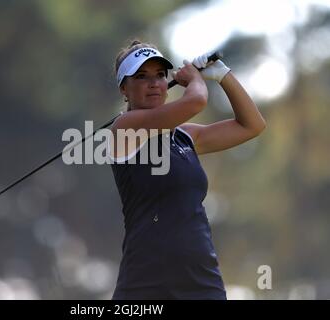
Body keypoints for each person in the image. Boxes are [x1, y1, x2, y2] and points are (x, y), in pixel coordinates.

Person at [108, 40, 266, 300]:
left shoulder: (184, 137)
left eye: (160, 75)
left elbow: (252, 125)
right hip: (146, 279)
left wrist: (222, 75)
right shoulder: (124, 128)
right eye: (141, 76)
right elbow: (195, 102)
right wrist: (195, 79)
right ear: (124, 88)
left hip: (201, 276)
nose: (154, 83)